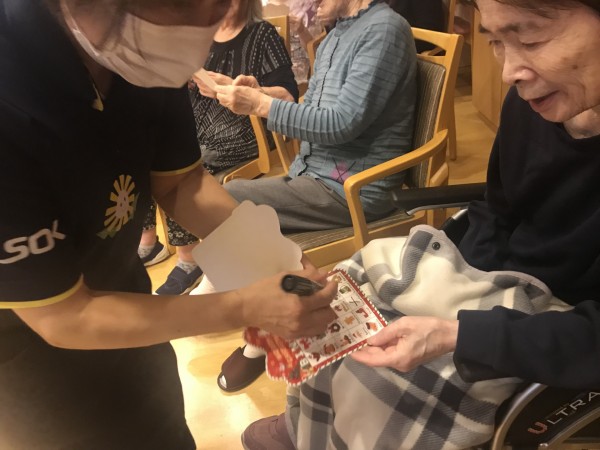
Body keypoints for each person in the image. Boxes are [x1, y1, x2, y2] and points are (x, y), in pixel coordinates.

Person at [239, 0, 600, 448]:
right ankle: (312, 422)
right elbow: (499, 208)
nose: (509, 72)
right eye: (495, 42)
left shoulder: (382, 31)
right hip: (501, 269)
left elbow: (340, 123)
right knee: (341, 308)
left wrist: (460, 329)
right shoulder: (530, 105)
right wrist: (444, 277)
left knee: (376, 374)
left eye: (529, 38)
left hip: (564, 319)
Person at [0, 0, 338, 448]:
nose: (199, 36)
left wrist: (274, 258)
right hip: (31, 356)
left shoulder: (140, 57)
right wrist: (244, 306)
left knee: (165, 429)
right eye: (184, 9)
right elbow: (63, 317)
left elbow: (181, 183)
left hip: (129, 303)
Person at [207, 0, 418, 392]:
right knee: (233, 208)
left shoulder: (384, 30)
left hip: (353, 187)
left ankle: (271, 331)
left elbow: (341, 124)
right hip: (314, 175)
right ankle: (281, 320)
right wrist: (262, 93)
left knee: (232, 200)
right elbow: (317, 110)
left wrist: (262, 105)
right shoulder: (338, 33)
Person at [139, 0, 299, 296]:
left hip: (243, 131)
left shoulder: (262, 33)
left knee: (185, 164)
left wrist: (250, 92)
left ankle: (189, 257)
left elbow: (288, 95)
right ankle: (150, 241)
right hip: (200, 125)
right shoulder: (199, 34)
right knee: (148, 152)